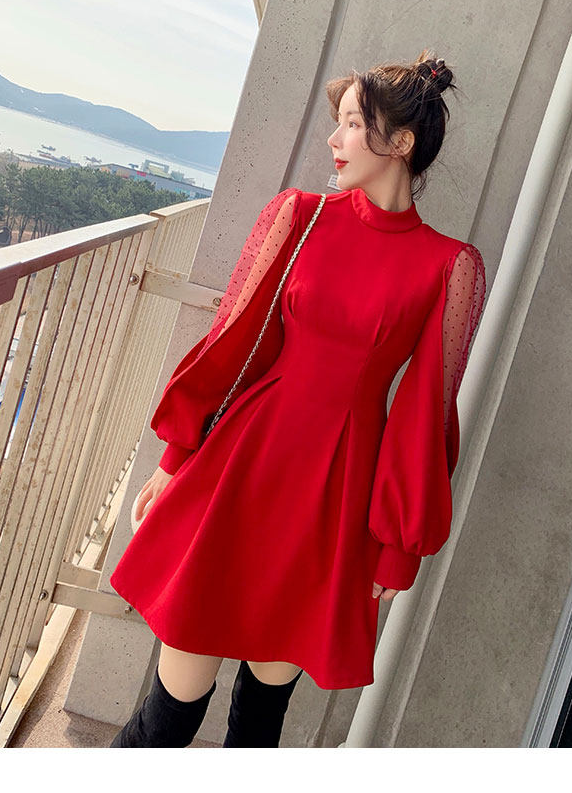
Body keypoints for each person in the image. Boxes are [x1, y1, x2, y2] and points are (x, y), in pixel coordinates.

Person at [107, 48, 486, 747]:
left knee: (259, 725)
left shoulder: (449, 266)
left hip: (334, 497)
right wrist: (174, 457)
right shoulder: (300, 215)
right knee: (170, 713)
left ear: (401, 143)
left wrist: (396, 549)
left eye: (353, 124)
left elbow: (425, 417)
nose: (335, 139)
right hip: (243, 466)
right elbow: (231, 339)